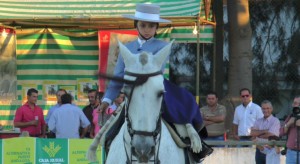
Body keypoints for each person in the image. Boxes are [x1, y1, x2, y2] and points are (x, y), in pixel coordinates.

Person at [97, 3, 204, 162]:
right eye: (143, 25)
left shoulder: (162, 46)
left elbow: (155, 70)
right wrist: (106, 100)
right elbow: (118, 77)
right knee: (109, 134)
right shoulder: (127, 48)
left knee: (181, 127)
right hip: (132, 97)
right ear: (136, 25)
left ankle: (192, 151)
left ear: (156, 27)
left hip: (154, 92)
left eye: (151, 26)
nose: (147, 29)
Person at [280, 95, 300, 164]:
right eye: (294, 103)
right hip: (291, 152)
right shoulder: (291, 116)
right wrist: (288, 124)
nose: (296, 106)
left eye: (298, 104)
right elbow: (281, 132)